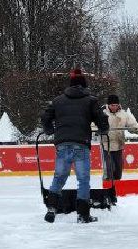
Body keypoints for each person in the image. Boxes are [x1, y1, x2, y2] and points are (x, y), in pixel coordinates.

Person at [41, 68, 108, 223]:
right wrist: (103, 129)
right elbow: (101, 119)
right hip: (80, 143)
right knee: (83, 180)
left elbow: (45, 117)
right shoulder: (90, 100)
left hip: (63, 144)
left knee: (59, 177)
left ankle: (52, 208)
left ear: (70, 85)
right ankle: (83, 214)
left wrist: (50, 130)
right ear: (84, 85)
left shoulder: (58, 101)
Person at [100, 94, 138, 191]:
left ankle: (117, 186)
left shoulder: (123, 114)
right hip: (106, 144)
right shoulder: (102, 113)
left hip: (119, 144)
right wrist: (97, 130)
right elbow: (94, 124)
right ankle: (108, 185)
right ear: (108, 105)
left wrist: (137, 129)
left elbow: (132, 124)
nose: (114, 107)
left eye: (116, 105)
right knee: (109, 168)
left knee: (118, 169)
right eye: (112, 105)